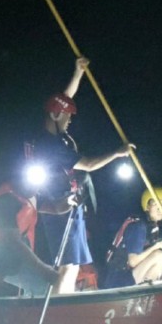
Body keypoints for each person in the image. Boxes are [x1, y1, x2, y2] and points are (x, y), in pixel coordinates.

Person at [31, 57, 135, 294]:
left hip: (69, 205)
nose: (70, 120)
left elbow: (64, 101)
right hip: (60, 207)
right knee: (69, 266)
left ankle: (60, 304)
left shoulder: (53, 134)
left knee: (73, 265)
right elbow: (87, 164)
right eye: (67, 116)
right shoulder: (51, 146)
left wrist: (78, 73)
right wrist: (117, 153)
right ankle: (58, 308)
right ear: (56, 116)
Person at [0, 182, 62, 297]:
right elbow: (13, 241)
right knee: (43, 285)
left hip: (10, 256)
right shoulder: (6, 201)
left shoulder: (31, 198)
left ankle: (25, 303)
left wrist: (71, 200)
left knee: (41, 282)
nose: (35, 187)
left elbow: (56, 208)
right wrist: (44, 269)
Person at [102, 186, 162, 288]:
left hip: (132, 274)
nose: (160, 208)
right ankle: (145, 293)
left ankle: (158, 291)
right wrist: (158, 246)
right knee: (158, 256)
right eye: (155, 204)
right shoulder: (138, 227)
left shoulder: (152, 226)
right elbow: (133, 261)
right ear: (147, 206)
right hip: (119, 278)